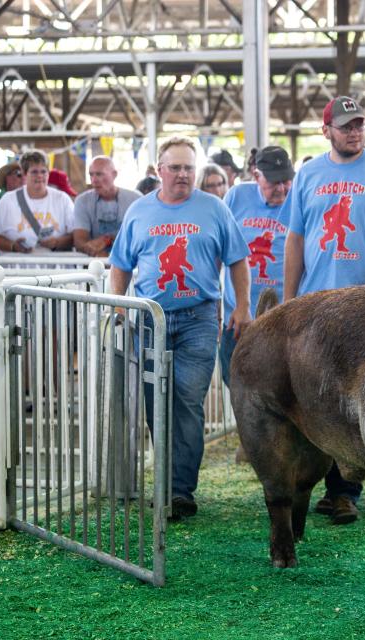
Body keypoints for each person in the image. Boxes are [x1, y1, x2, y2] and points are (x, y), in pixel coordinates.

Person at [282, 95, 365, 525]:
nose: (355, 131)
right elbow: (296, 239)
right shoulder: (308, 173)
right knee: (315, 395)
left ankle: (345, 492)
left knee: (356, 399)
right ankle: (314, 483)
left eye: (360, 123)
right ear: (327, 132)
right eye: (346, 125)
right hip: (317, 302)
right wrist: (289, 302)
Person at [110, 136, 251, 520]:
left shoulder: (215, 209)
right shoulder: (139, 211)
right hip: (150, 317)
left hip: (199, 317)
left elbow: (238, 260)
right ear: (160, 171)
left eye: (189, 167)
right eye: (175, 167)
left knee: (187, 401)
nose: (183, 174)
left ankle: (179, 489)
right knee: (156, 400)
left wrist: (242, 306)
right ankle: (167, 483)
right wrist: (119, 306)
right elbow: (120, 263)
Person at [218, 145, 294, 386]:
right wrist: (215, 307)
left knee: (281, 389)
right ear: (256, 175)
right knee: (236, 383)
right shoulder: (236, 196)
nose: (281, 188)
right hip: (239, 314)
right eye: (273, 182)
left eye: (286, 181)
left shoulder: (298, 199)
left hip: (284, 314)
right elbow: (220, 249)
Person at [0, 150, 74, 254]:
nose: (40, 176)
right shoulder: (8, 200)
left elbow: (76, 234)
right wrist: (12, 245)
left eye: (43, 171)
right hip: (17, 267)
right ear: (24, 173)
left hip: (56, 267)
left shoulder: (62, 199)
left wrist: (57, 242)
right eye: (34, 172)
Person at [72, 156, 141, 257]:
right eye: (91, 175)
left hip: (130, 261)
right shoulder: (82, 201)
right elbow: (79, 241)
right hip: (95, 262)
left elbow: (142, 237)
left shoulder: (135, 199)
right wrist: (95, 251)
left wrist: (108, 241)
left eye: (99, 174)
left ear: (114, 174)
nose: (94, 180)